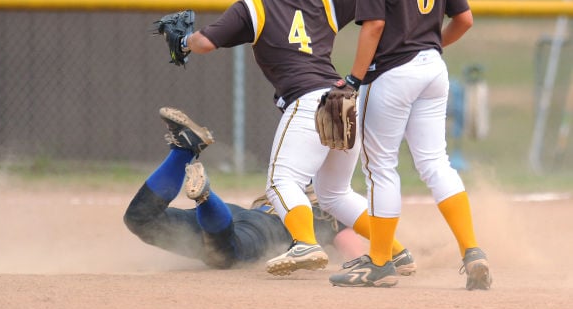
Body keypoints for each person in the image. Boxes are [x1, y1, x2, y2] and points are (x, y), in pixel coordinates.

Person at [158, 0, 416, 276]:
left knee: (281, 182)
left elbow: (203, 42)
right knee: (335, 194)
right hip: (342, 101)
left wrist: (181, 42)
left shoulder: (252, 8)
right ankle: (395, 251)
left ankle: (305, 244)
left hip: (308, 101)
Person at [311, 0, 491, 290]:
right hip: (433, 70)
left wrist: (353, 80)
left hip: (392, 74)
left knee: (381, 169)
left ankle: (378, 262)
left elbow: (374, 24)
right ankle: (472, 251)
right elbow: (463, 20)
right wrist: (428, 47)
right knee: (435, 164)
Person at [124, 106, 418, 273]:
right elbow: (353, 251)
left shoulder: (283, 190)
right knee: (226, 255)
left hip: (239, 216)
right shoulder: (332, 208)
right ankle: (204, 197)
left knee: (140, 220)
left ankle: (184, 153)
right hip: (259, 233)